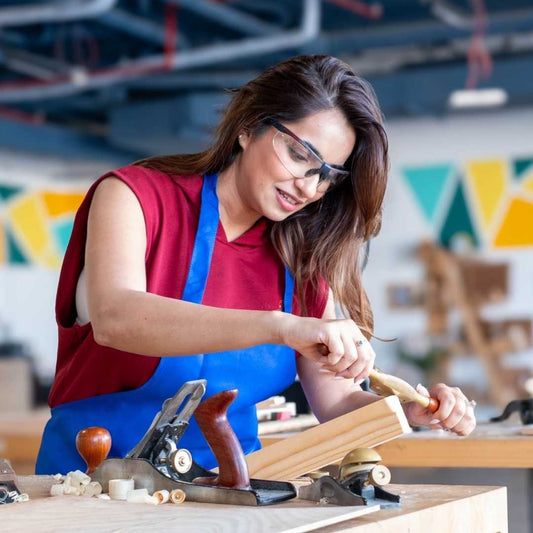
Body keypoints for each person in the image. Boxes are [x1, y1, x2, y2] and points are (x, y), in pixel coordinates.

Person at [36, 55, 475, 475]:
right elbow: (117, 319)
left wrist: (408, 411)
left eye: (328, 174)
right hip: (92, 484)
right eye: (300, 154)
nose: (309, 185)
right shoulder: (135, 197)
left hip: (234, 490)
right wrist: (281, 326)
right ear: (248, 127)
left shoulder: (300, 259)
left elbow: (337, 401)